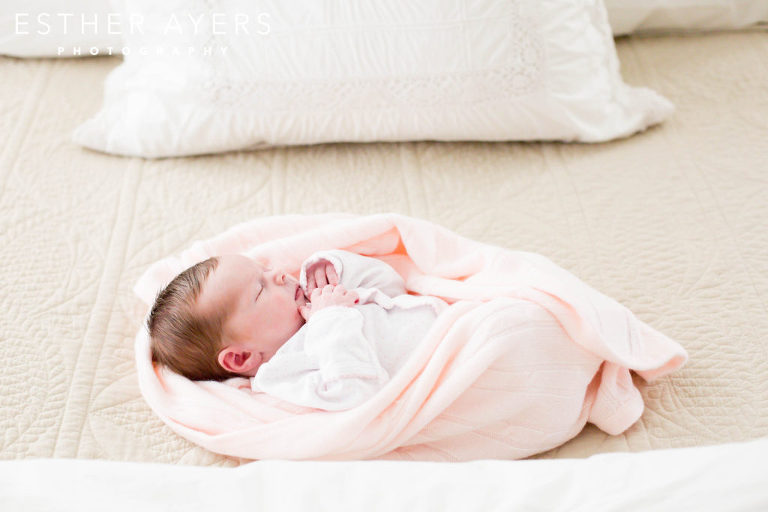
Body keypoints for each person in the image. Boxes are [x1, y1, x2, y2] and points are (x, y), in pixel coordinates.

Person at [148, 250, 447, 410]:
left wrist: (337, 268)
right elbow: (357, 394)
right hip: (447, 364)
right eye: (259, 289)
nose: (278, 274)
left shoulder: (317, 302)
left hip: (450, 322)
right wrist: (330, 319)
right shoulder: (283, 372)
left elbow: (392, 288)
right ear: (240, 358)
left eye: (264, 270)